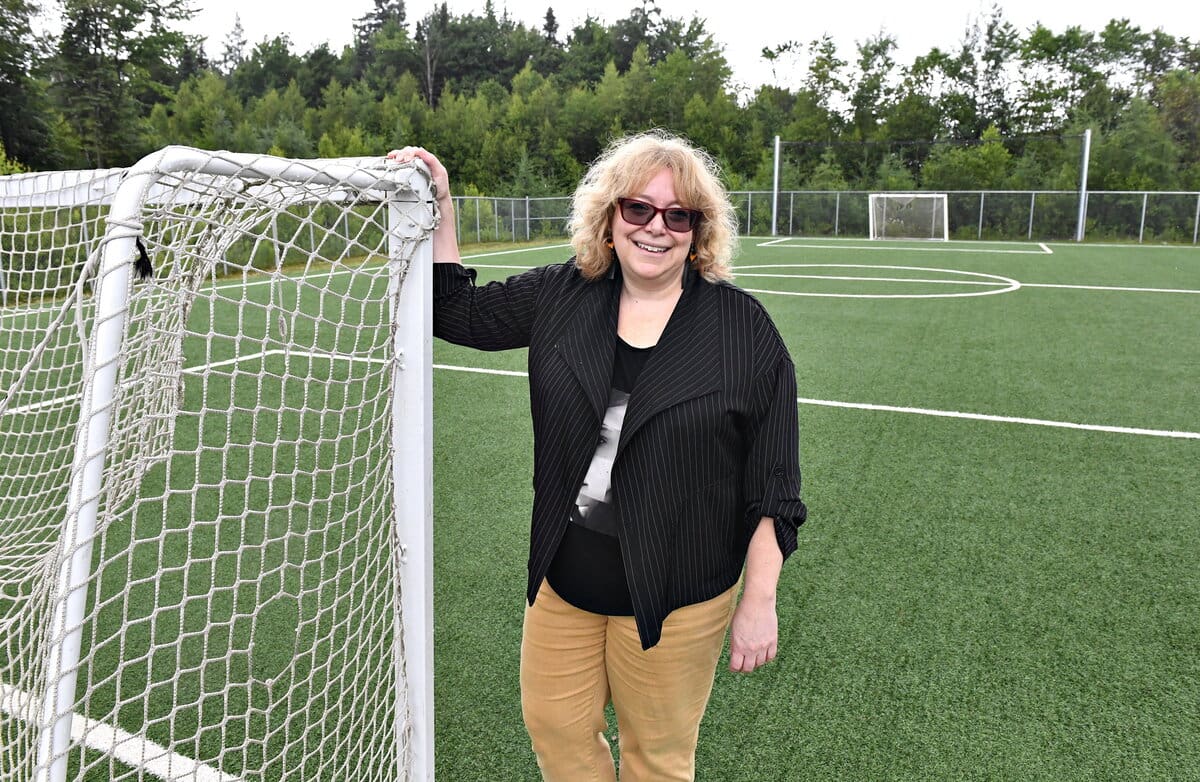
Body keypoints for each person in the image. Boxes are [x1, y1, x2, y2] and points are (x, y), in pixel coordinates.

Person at [388, 129, 806, 782]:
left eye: (677, 215)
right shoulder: (564, 293)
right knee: (556, 731)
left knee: (657, 762)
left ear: (698, 231)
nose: (655, 228)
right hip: (565, 583)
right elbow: (457, 313)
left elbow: (774, 486)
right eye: (638, 208)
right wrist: (439, 202)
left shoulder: (741, 329)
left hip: (678, 597)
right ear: (610, 216)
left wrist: (761, 599)